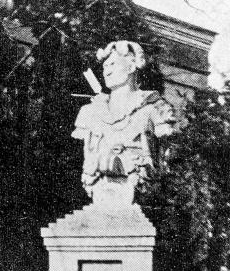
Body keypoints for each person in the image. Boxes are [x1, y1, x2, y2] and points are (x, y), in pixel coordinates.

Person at [73, 40, 177, 202]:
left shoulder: (154, 110)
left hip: (136, 198)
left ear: (131, 67)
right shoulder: (90, 112)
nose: (106, 72)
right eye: (105, 67)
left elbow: (165, 157)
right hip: (99, 195)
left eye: (113, 64)